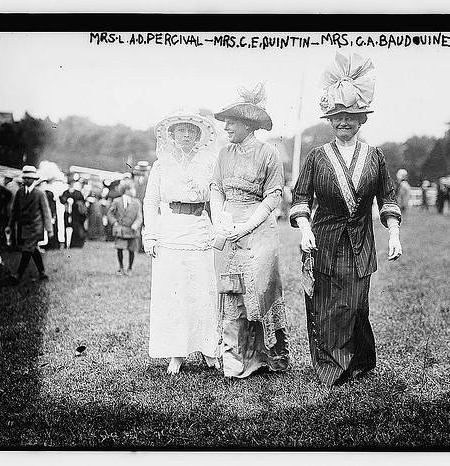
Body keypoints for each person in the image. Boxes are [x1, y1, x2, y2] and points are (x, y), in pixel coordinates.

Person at [290, 52, 402, 386]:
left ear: (361, 119)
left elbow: (387, 197)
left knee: (355, 306)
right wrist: (304, 228)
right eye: (337, 115)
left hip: (360, 242)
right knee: (326, 306)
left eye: (351, 116)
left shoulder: (375, 156)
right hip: (323, 241)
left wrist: (394, 234)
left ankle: (360, 363)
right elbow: (300, 198)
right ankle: (330, 367)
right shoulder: (317, 156)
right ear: (329, 118)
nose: (344, 122)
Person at [210, 84, 290, 378]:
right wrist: (220, 218)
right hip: (228, 229)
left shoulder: (269, 153)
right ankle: (234, 359)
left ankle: (269, 357)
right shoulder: (223, 154)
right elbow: (216, 188)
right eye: (226, 121)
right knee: (232, 291)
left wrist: (246, 225)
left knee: (261, 288)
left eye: (232, 121)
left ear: (248, 124)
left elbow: (272, 195)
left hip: (258, 229)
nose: (227, 127)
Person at [142, 108, 221, 373]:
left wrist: (221, 229)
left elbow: (217, 198)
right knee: (174, 293)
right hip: (170, 231)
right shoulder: (161, 164)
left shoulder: (209, 162)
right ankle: (177, 351)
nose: (186, 134)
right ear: (172, 134)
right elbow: (151, 201)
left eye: (191, 130)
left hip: (199, 230)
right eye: (181, 130)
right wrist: (150, 234)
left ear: (198, 134)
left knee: (203, 291)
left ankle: (209, 349)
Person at [9, 165, 53, 283]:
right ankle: (42, 272)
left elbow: (46, 212)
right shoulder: (20, 192)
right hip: (24, 226)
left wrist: (49, 229)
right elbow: (15, 210)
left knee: (27, 249)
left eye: (29, 178)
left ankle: (18, 274)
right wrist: (10, 224)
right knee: (33, 249)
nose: (26, 180)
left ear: (34, 179)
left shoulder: (39, 194)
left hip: (35, 227)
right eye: (25, 178)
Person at [107, 179, 143, 275]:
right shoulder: (117, 201)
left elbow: (139, 217)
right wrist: (114, 222)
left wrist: (136, 224)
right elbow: (110, 213)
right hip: (121, 230)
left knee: (132, 250)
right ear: (126, 190)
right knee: (120, 248)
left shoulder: (137, 203)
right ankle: (121, 267)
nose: (134, 191)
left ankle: (130, 268)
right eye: (132, 188)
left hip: (132, 230)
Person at [60, 181, 88, 248]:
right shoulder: (66, 193)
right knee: (66, 227)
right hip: (68, 214)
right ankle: (66, 243)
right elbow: (62, 200)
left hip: (76, 214)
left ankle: (76, 244)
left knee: (76, 228)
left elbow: (81, 203)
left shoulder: (78, 193)